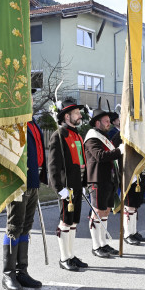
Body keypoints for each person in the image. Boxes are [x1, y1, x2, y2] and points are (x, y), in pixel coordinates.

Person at [2, 88, 48, 290]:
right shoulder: (13, 121)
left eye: (30, 95)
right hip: (18, 181)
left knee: (26, 226)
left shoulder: (32, 121)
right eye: (24, 95)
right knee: (14, 226)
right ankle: (7, 275)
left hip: (33, 180)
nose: (29, 98)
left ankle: (22, 271)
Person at [48, 98, 88, 271]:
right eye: (76, 113)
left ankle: (71, 255)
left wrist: (84, 183)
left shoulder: (77, 134)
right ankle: (64, 258)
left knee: (73, 222)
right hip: (67, 188)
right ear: (66, 116)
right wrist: (59, 189)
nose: (80, 116)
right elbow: (53, 165)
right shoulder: (59, 135)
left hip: (78, 185)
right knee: (65, 222)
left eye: (79, 113)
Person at [84, 100, 124, 257]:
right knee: (97, 212)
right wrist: (119, 151)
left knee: (106, 210)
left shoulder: (104, 136)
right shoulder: (92, 138)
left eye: (109, 121)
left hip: (109, 179)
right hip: (97, 179)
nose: (109, 123)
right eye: (106, 121)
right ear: (97, 123)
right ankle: (96, 246)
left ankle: (103, 243)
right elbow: (100, 157)